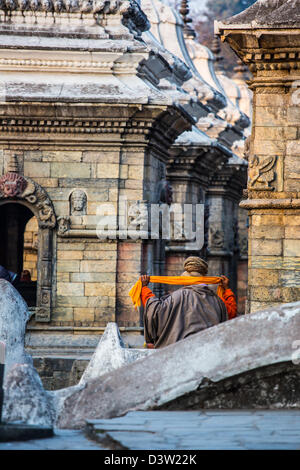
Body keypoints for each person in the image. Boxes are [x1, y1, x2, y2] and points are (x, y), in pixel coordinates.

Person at [141, 256, 237, 349]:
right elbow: (231, 313)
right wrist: (227, 290)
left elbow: (155, 311)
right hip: (208, 350)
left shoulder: (177, 297)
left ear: (185, 281)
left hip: (180, 350)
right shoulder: (217, 300)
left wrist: (145, 289)